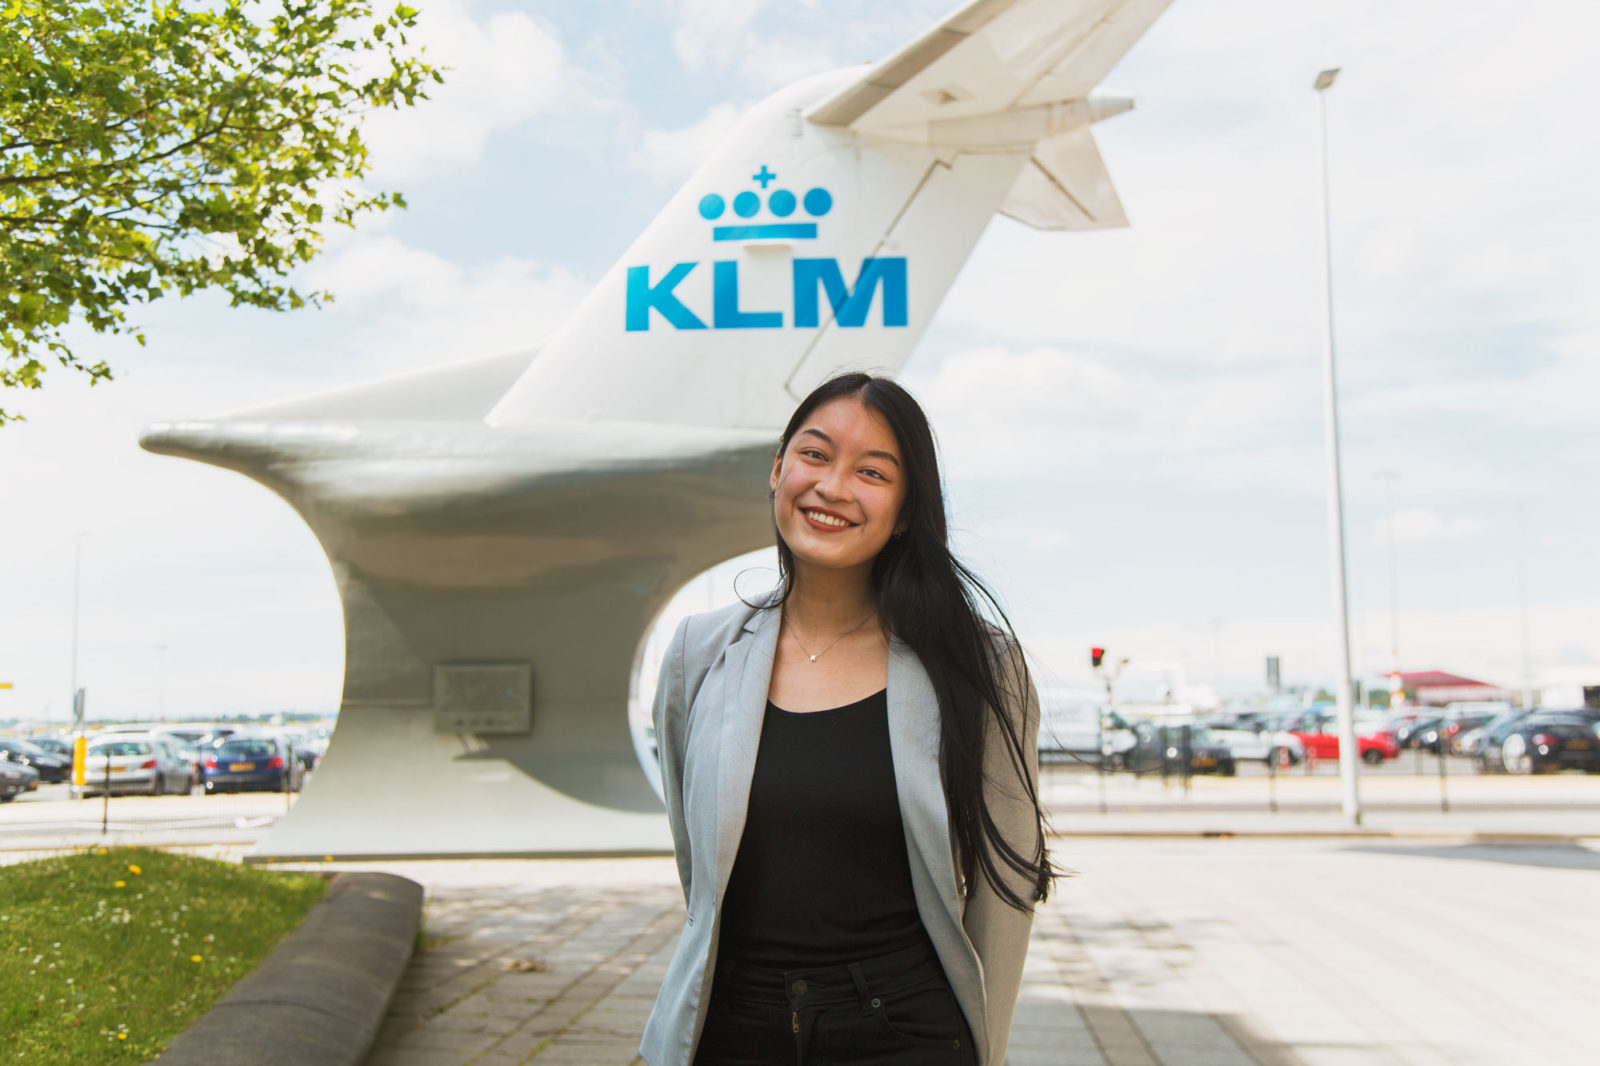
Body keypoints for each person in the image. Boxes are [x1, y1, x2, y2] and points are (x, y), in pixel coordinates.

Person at [639, 372, 1055, 1066]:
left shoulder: (978, 665)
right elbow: (698, 866)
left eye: (872, 472)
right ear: (778, 469)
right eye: (814, 454)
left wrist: (989, 1047)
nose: (832, 487)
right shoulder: (698, 653)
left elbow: (1003, 889)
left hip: (906, 1030)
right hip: (731, 1026)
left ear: (906, 509)